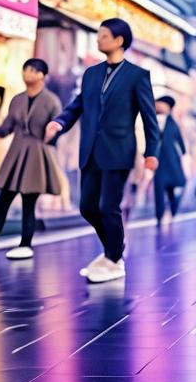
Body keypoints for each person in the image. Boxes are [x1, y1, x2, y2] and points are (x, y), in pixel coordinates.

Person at [46, 18, 159, 284]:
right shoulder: (91, 73)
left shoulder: (137, 75)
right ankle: (114, 251)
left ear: (119, 41)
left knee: (108, 206)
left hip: (119, 150)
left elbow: (149, 117)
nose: (98, 40)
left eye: (104, 36)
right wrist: (59, 123)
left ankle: (114, 258)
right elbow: (77, 105)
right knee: (87, 206)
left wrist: (151, 153)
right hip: (90, 150)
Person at [0, 58, 62, 259]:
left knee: (29, 202)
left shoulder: (51, 101)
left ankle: (26, 244)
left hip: (37, 154)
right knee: (3, 199)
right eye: (25, 69)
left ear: (42, 75)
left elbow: (57, 129)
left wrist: (53, 135)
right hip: (16, 152)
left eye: (32, 70)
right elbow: (6, 128)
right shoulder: (17, 99)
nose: (27, 73)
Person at [152, 95, 186, 224]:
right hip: (158, 161)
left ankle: (173, 209)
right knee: (159, 189)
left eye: (161, 104)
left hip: (172, 160)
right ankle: (160, 215)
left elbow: (180, 142)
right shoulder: (151, 120)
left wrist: (181, 153)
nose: (158, 106)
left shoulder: (173, 123)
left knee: (176, 185)